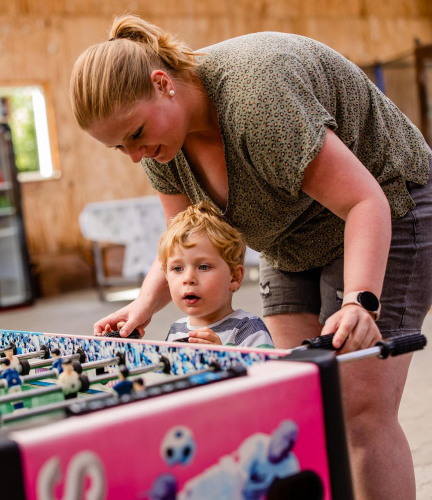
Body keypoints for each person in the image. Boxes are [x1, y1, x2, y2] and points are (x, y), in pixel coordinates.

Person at [70, 14, 432, 500]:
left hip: (388, 205)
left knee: (356, 409)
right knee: (300, 398)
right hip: (288, 237)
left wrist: (359, 301)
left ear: (163, 84)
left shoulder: (256, 98)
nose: (135, 155)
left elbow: (365, 201)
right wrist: (143, 306)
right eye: (120, 148)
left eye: (135, 134)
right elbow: (182, 238)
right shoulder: (162, 148)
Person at [160, 201, 274, 348]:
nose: (188, 278)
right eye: (177, 269)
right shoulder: (176, 331)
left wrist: (223, 355)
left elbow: (266, 370)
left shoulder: (248, 329)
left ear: (234, 277)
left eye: (203, 266)